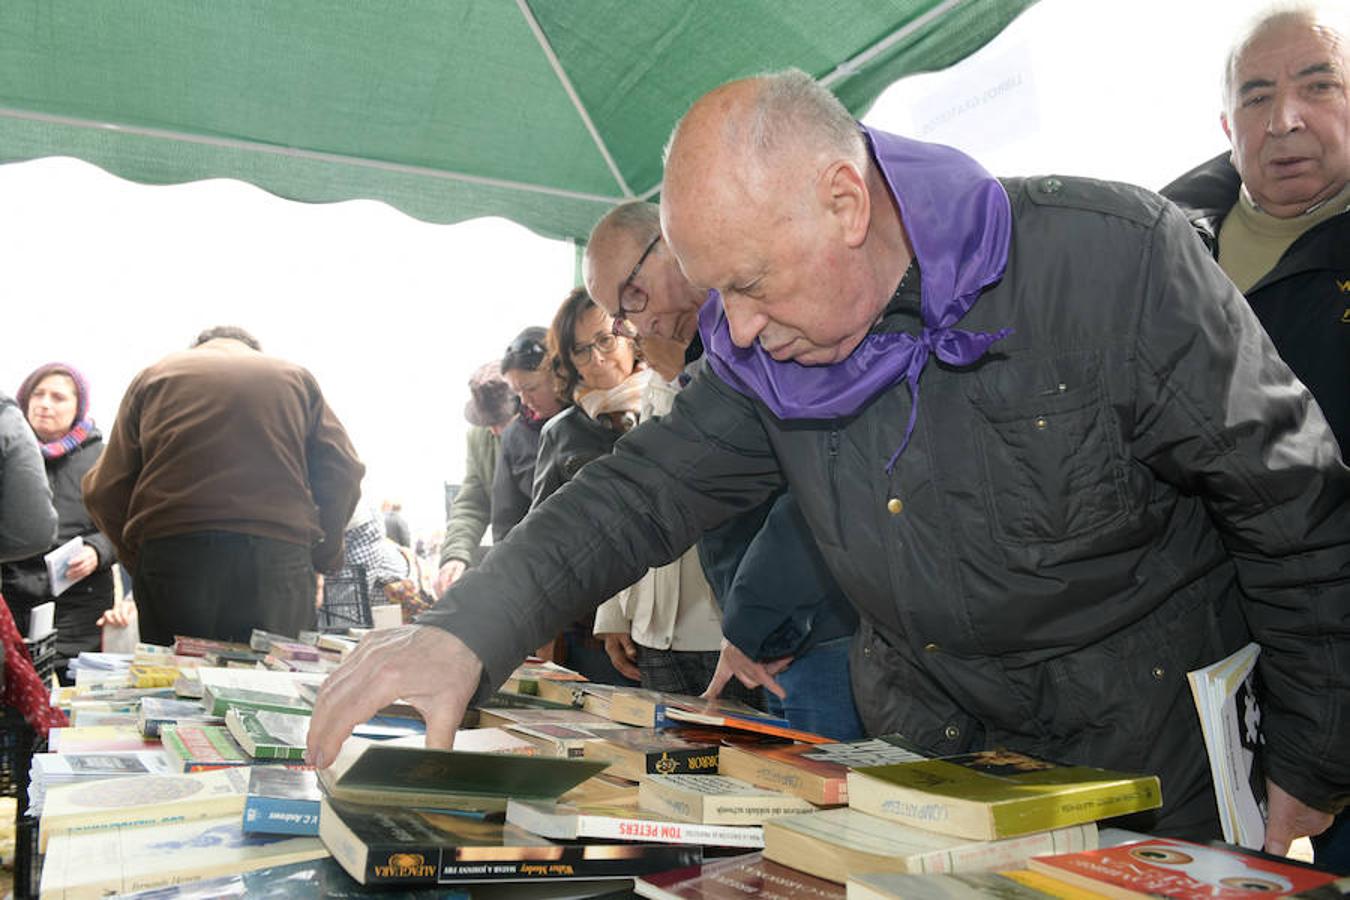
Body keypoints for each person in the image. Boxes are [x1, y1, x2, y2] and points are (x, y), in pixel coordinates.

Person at [310, 72, 1350, 853]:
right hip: (931, 769)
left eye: (754, 287)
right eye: (722, 300)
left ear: (847, 203)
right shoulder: (768, 352)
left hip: (1149, 768)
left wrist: (1313, 758)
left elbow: (1295, 509)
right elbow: (635, 495)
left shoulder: (1113, 259)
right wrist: (458, 637)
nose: (743, 336)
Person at [1161, 3, 1350, 869]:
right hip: (1197, 675)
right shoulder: (1161, 249)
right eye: (1258, 95)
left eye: (1319, 87)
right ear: (1226, 123)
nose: (1286, 119)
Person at [584, 201, 863, 739]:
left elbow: (813, 495)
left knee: (830, 803)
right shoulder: (703, 353)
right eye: (623, 315)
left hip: (816, 625)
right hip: (773, 631)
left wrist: (750, 624)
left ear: (673, 245)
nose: (639, 322)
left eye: (634, 296)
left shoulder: (764, 335)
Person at [83, 326, 365, 645]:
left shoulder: (155, 377)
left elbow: (103, 489)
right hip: (277, 559)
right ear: (254, 350)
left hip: (174, 556)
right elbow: (344, 470)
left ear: (197, 348)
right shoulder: (295, 378)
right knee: (274, 685)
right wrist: (323, 556)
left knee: (175, 683)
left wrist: (139, 558)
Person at [534, 287, 732, 697]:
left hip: (715, 617)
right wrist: (612, 617)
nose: (598, 357)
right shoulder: (565, 430)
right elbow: (616, 522)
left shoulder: (703, 380)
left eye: (605, 339)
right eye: (582, 350)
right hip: (643, 623)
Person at [0, 364, 132, 680]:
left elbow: (126, 523)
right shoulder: (9, 451)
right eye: (38, 394)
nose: (45, 403)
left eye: (58, 397)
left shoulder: (104, 457)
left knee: (75, 707)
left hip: (80, 608)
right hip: (12, 599)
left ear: (78, 407)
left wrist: (98, 550)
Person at [433, 362, 516, 596]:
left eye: (501, 422)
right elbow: (472, 501)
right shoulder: (479, 437)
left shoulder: (544, 432)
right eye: (489, 423)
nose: (495, 431)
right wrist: (456, 555)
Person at [492, 327, 564, 542]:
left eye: (531, 388)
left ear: (559, 373)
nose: (524, 400)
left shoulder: (597, 415)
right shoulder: (513, 437)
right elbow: (506, 520)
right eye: (517, 392)